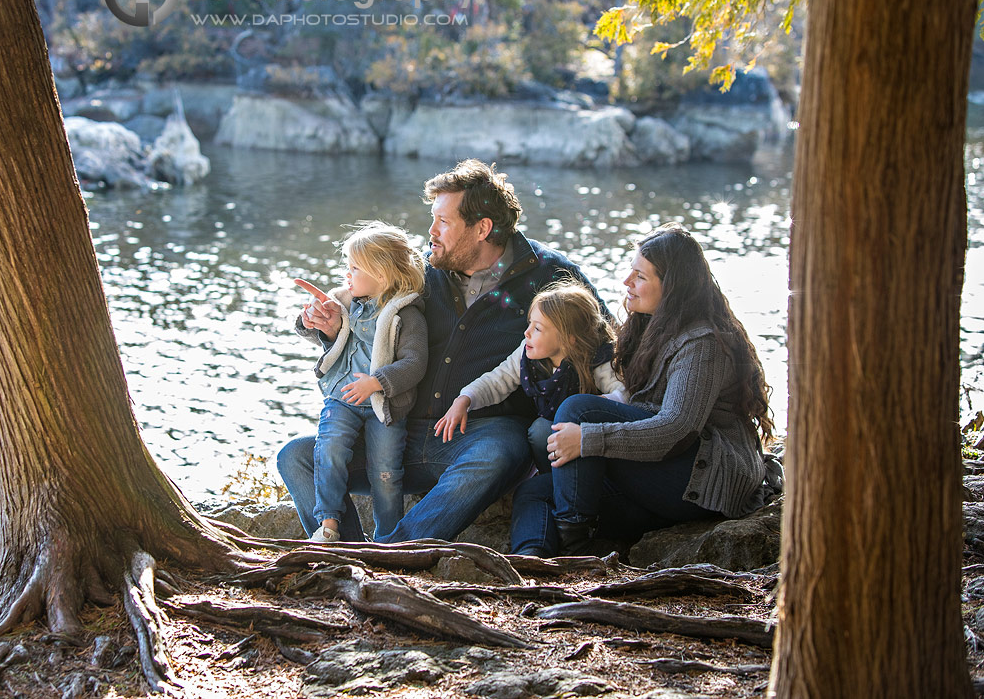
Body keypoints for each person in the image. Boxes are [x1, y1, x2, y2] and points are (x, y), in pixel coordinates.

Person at [280, 159, 610, 543]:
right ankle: (350, 553)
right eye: (432, 219)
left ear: (482, 228)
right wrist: (327, 325)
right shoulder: (420, 270)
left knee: (500, 452)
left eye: (444, 222)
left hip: (480, 435)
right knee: (296, 458)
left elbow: (604, 341)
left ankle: (397, 552)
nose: (431, 232)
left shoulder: (550, 275)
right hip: (395, 429)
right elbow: (360, 312)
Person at [510, 222, 778, 557]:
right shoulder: (650, 327)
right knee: (534, 491)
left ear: (673, 287)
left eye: (640, 276)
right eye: (630, 272)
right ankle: (530, 564)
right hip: (658, 481)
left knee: (580, 411)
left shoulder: (703, 343)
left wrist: (589, 439)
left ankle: (576, 544)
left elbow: (676, 429)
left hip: (702, 482)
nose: (627, 283)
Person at [294, 222, 428, 542]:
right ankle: (328, 525)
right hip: (343, 397)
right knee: (329, 448)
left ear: (381, 275)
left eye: (355, 268)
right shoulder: (349, 303)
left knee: (385, 473)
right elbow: (327, 325)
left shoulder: (407, 316)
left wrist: (378, 382)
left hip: (384, 406)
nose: (347, 275)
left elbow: (415, 363)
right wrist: (318, 321)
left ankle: (388, 539)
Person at [434, 279, 624, 475]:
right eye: (529, 324)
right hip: (552, 434)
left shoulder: (595, 359)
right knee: (540, 430)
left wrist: (596, 403)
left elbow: (624, 395)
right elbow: (498, 379)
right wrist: (465, 399)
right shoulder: (527, 354)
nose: (527, 333)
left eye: (538, 328)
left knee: (544, 429)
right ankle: (549, 477)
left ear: (569, 339)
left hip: (588, 437)